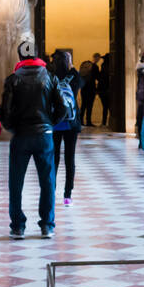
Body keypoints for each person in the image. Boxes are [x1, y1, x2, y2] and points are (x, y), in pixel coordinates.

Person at [0, 39, 68, 238]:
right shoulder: (50, 77)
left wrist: (12, 127)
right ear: (37, 55)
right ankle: (47, 225)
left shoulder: (13, 79)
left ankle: (18, 226)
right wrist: (50, 124)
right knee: (47, 181)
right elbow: (63, 107)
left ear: (20, 57)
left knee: (16, 182)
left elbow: (5, 110)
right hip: (43, 135)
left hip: (21, 136)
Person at [50, 49, 83, 206]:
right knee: (70, 159)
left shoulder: (50, 77)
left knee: (54, 159)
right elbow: (81, 83)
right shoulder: (74, 76)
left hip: (55, 122)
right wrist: (72, 67)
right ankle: (67, 195)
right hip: (71, 123)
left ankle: (52, 190)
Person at [78, 56, 96, 126]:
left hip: (84, 89)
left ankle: (81, 120)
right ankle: (88, 121)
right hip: (91, 89)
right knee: (89, 106)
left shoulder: (82, 70)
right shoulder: (92, 70)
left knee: (83, 105)